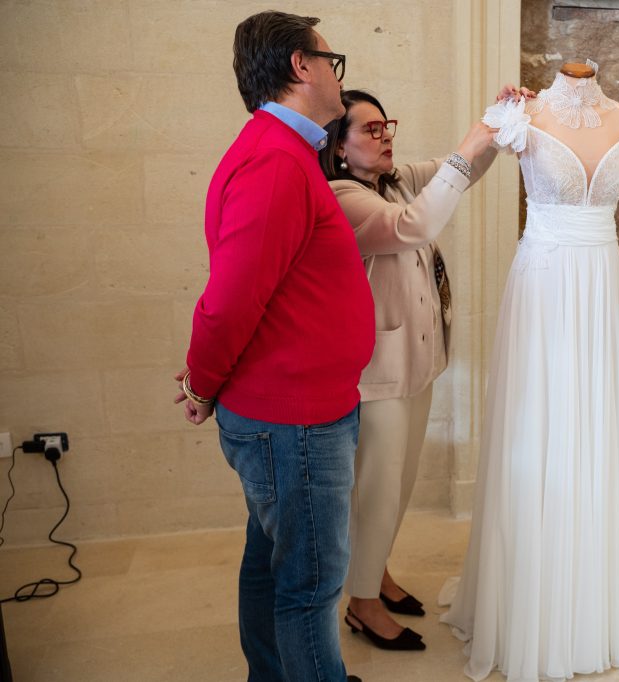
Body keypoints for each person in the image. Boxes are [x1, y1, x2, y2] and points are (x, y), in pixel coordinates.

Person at [173, 11, 371, 681]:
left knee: (273, 563)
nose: (336, 77)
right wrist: (203, 383)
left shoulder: (283, 151)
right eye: (330, 60)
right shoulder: (275, 160)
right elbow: (228, 300)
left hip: (295, 412)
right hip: (295, 421)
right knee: (310, 588)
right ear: (300, 66)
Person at [441, 60, 619, 681]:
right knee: (539, 426)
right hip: (546, 277)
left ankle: (590, 604)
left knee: (593, 431)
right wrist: (495, 114)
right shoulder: (522, 113)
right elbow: (465, 163)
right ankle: (526, 603)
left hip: (601, 278)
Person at [317, 85, 529, 650]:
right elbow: (413, 225)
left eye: (388, 125)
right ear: (339, 147)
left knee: (400, 484)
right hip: (378, 375)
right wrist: (470, 143)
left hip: (417, 364)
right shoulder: (341, 196)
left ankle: (374, 572)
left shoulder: (394, 178)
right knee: (378, 489)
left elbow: (462, 172)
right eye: (370, 129)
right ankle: (361, 604)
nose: (386, 136)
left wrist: (497, 119)